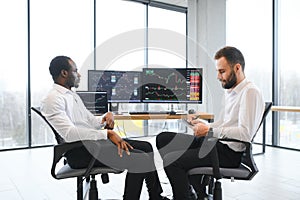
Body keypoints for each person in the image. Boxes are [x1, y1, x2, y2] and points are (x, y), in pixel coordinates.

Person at [41, 55, 169, 200]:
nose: (79, 74)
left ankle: (156, 197)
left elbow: (90, 121)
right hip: (79, 152)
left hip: (91, 145)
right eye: (75, 71)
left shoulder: (71, 95)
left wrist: (104, 118)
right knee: (140, 159)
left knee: (146, 147)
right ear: (64, 73)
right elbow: (69, 134)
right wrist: (107, 134)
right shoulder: (53, 99)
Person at [156, 46, 264, 200]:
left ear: (237, 68)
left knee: (171, 160)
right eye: (218, 72)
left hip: (229, 154)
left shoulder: (250, 92)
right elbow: (223, 123)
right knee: (163, 138)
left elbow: (245, 133)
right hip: (216, 143)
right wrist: (203, 125)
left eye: (222, 71)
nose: (219, 77)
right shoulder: (231, 92)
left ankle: (183, 196)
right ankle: (190, 192)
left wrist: (209, 131)